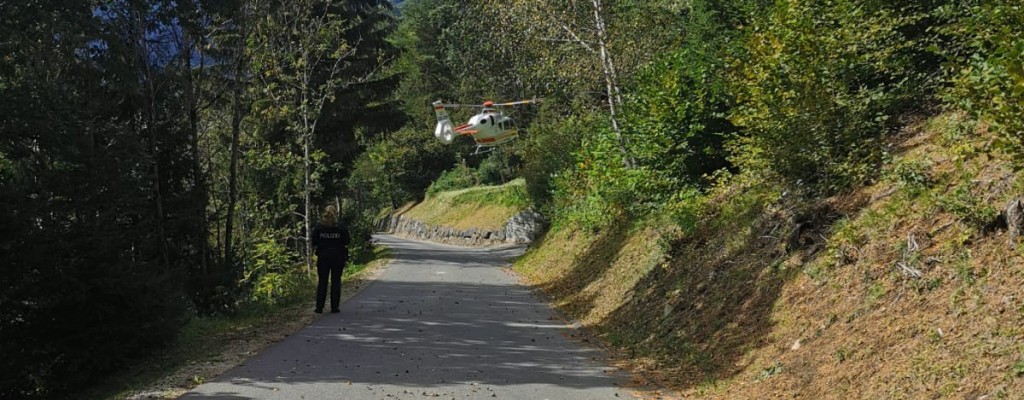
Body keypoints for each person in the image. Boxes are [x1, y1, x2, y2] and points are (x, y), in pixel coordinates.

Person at [311, 204, 350, 314]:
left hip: (323, 257)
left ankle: (319, 307)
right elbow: (347, 241)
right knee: (336, 281)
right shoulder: (341, 227)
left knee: (322, 281)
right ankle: (334, 307)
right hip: (338, 257)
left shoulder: (319, 227)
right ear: (335, 213)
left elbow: (314, 242)